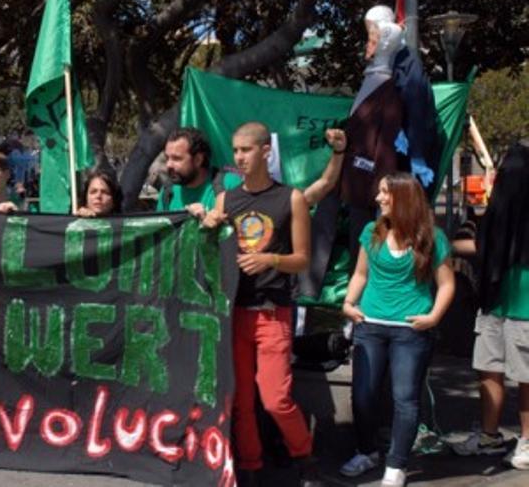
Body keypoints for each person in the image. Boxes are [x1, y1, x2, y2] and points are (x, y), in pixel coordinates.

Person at [203, 122, 320, 487]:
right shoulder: (227, 199)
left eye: (246, 150)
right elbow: (207, 247)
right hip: (235, 310)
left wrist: (270, 260)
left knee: (275, 399)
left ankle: (304, 458)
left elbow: (303, 259)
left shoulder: (291, 198)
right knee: (240, 401)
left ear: (265, 151)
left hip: (274, 311)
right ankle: (250, 467)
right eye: (235, 150)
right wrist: (206, 223)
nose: (239, 157)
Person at [338, 172, 455, 486]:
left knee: (405, 398)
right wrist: (349, 303)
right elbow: (361, 274)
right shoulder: (371, 231)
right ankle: (366, 452)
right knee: (363, 395)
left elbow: (447, 284)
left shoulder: (433, 238)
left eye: (385, 192)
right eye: (379, 192)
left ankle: (397, 463)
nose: (378, 198)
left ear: (403, 197)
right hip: (370, 326)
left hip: (411, 330)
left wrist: (433, 318)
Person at [451, 142, 529, 469]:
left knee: (524, 375)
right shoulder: (496, 215)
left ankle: (526, 440)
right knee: (490, 367)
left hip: (521, 306)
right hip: (493, 303)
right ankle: (489, 435)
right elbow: (483, 245)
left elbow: (480, 246)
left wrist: (450, 244)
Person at [157, 127, 217, 217]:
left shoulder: (227, 185)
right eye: (167, 158)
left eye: (176, 159)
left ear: (198, 160)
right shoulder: (167, 191)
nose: (169, 164)